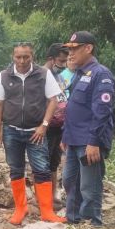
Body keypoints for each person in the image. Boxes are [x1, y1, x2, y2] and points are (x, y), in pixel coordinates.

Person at [0, 42, 66, 224]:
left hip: (36, 132)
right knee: (15, 169)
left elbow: (53, 101)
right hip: (12, 131)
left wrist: (44, 125)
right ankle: (20, 209)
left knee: (41, 169)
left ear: (32, 56)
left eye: (26, 57)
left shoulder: (43, 74)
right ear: (13, 56)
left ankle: (47, 211)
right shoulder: (4, 76)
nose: (22, 61)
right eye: (19, 57)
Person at [61, 31, 115, 226]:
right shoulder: (78, 74)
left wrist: (94, 142)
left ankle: (92, 224)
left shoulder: (101, 74)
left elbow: (102, 111)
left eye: (74, 49)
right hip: (74, 138)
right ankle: (73, 220)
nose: (70, 54)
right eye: (69, 50)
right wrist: (65, 137)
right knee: (69, 181)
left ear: (88, 48)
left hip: (89, 141)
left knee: (89, 186)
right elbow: (73, 107)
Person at [43, 43, 72, 204]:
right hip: (44, 127)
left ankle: (52, 195)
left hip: (59, 126)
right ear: (51, 59)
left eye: (65, 61)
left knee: (54, 162)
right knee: (42, 162)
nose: (63, 64)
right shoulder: (40, 76)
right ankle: (43, 197)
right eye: (61, 61)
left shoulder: (60, 76)